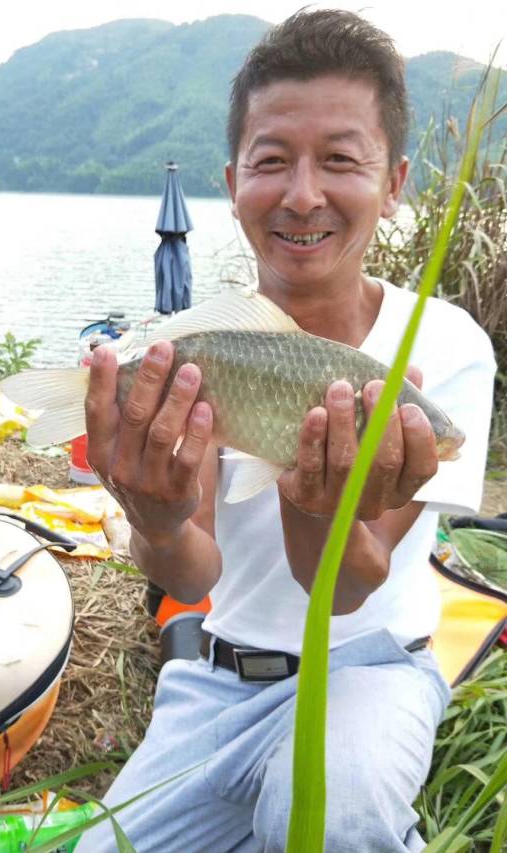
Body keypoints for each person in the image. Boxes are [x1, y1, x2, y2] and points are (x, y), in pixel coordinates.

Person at [77, 9, 496, 852]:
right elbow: (191, 569)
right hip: (216, 676)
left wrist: (313, 502)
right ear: (234, 183)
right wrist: (156, 519)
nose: (303, 194)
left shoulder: (443, 347)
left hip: (372, 667)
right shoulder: (197, 347)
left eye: (340, 159)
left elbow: (344, 588)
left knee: (332, 823)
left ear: (395, 182)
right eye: (272, 161)